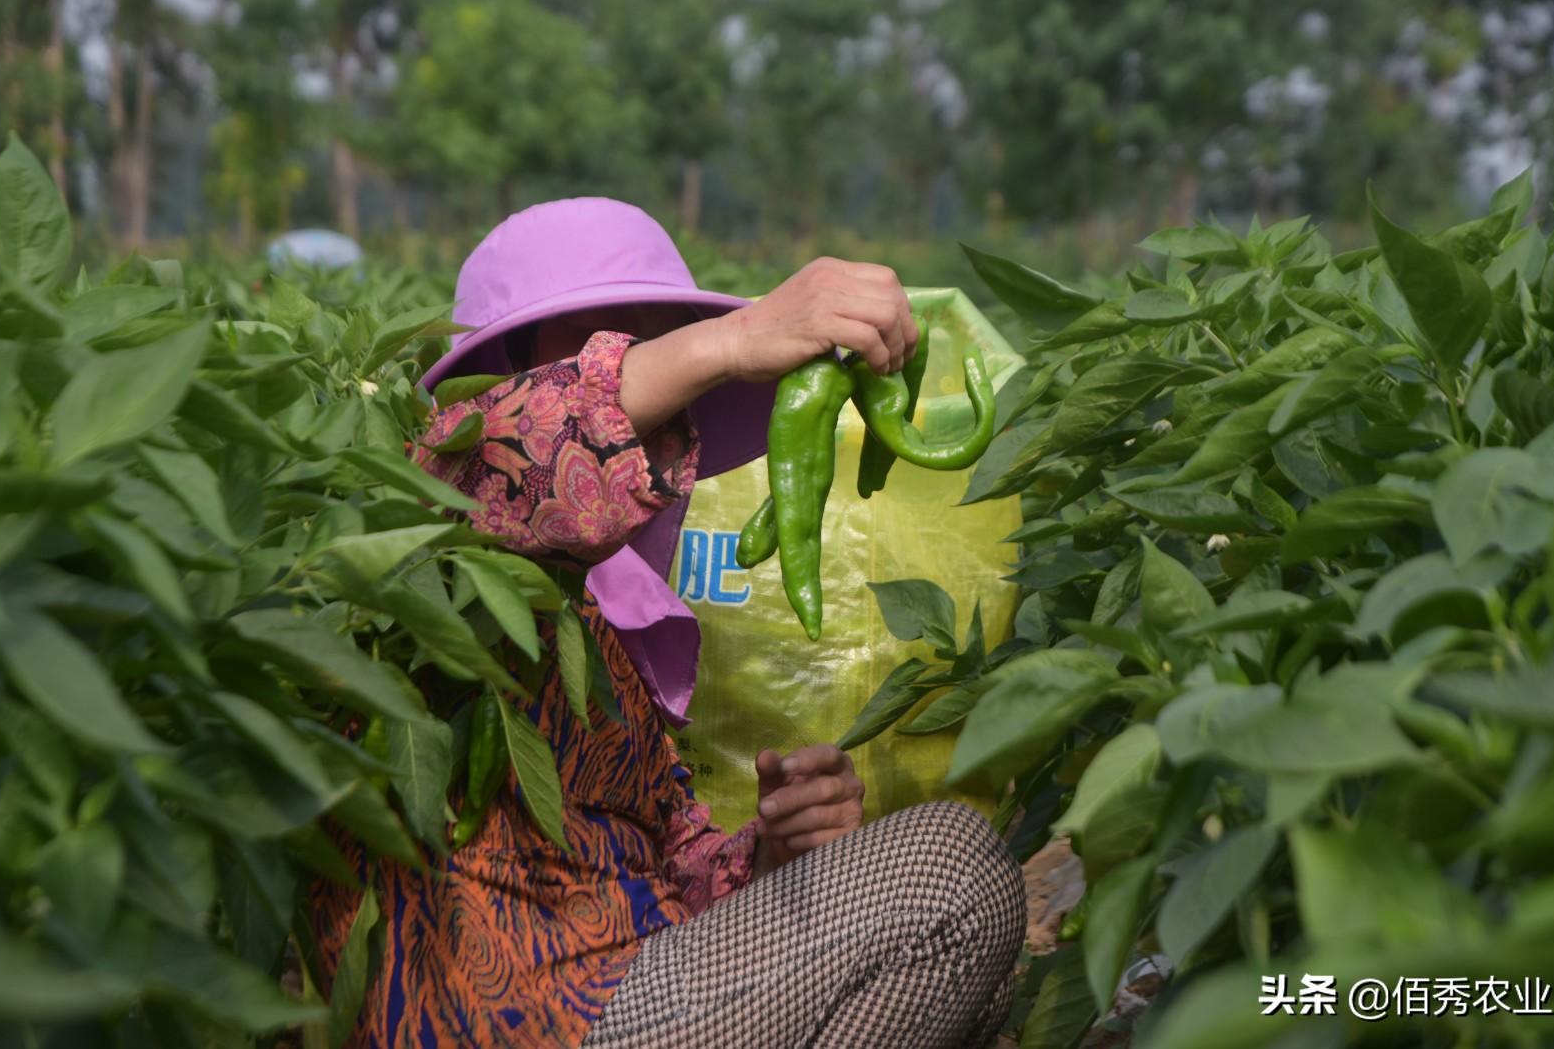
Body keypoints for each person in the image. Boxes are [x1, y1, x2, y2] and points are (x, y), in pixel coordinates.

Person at [308, 198, 1025, 1048]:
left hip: (631, 1000)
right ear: (497, 375)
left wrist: (775, 856)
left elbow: (667, 877)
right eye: (605, 343)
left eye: (656, 338)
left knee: (971, 971)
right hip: (522, 1020)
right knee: (949, 867)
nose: (646, 382)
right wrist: (730, 341)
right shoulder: (426, 537)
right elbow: (519, 444)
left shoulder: (607, 636)